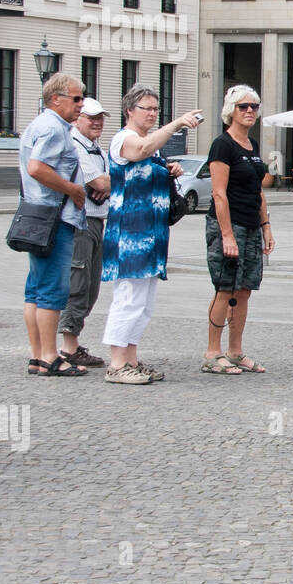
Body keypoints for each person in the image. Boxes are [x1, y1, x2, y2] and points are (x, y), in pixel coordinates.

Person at [100, 84, 202, 384]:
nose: (153, 114)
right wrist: (176, 123)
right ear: (129, 110)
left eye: (156, 109)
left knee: (144, 303)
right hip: (130, 232)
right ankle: (117, 363)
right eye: (147, 108)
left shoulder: (150, 143)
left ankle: (130, 358)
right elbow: (139, 151)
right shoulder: (124, 139)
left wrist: (167, 170)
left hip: (150, 233)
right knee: (128, 298)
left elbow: (147, 157)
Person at [201, 85, 275, 376]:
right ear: (231, 110)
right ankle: (212, 352)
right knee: (225, 288)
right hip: (227, 226)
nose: (249, 111)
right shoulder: (223, 144)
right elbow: (219, 193)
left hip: (251, 225)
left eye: (254, 106)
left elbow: (258, 191)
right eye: (243, 106)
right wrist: (227, 234)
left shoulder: (252, 146)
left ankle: (235, 351)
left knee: (244, 291)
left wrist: (266, 225)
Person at [21, 73, 90, 378]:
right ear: (55, 99)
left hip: (37, 215)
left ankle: (38, 356)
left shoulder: (39, 124)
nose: (81, 104)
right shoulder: (53, 128)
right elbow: (37, 167)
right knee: (52, 289)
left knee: (35, 289)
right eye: (76, 98)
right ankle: (50, 356)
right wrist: (72, 189)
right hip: (54, 217)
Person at [57, 97, 111, 369]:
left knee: (91, 286)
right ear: (78, 119)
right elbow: (101, 182)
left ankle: (73, 342)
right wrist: (106, 183)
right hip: (80, 222)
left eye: (100, 117)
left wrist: (107, 184)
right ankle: (68, 346)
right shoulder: (75, 146)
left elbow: (108, 182)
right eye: (91, 117)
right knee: (78, 283)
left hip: (97, 221)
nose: (97, 122)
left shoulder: (98, 150)